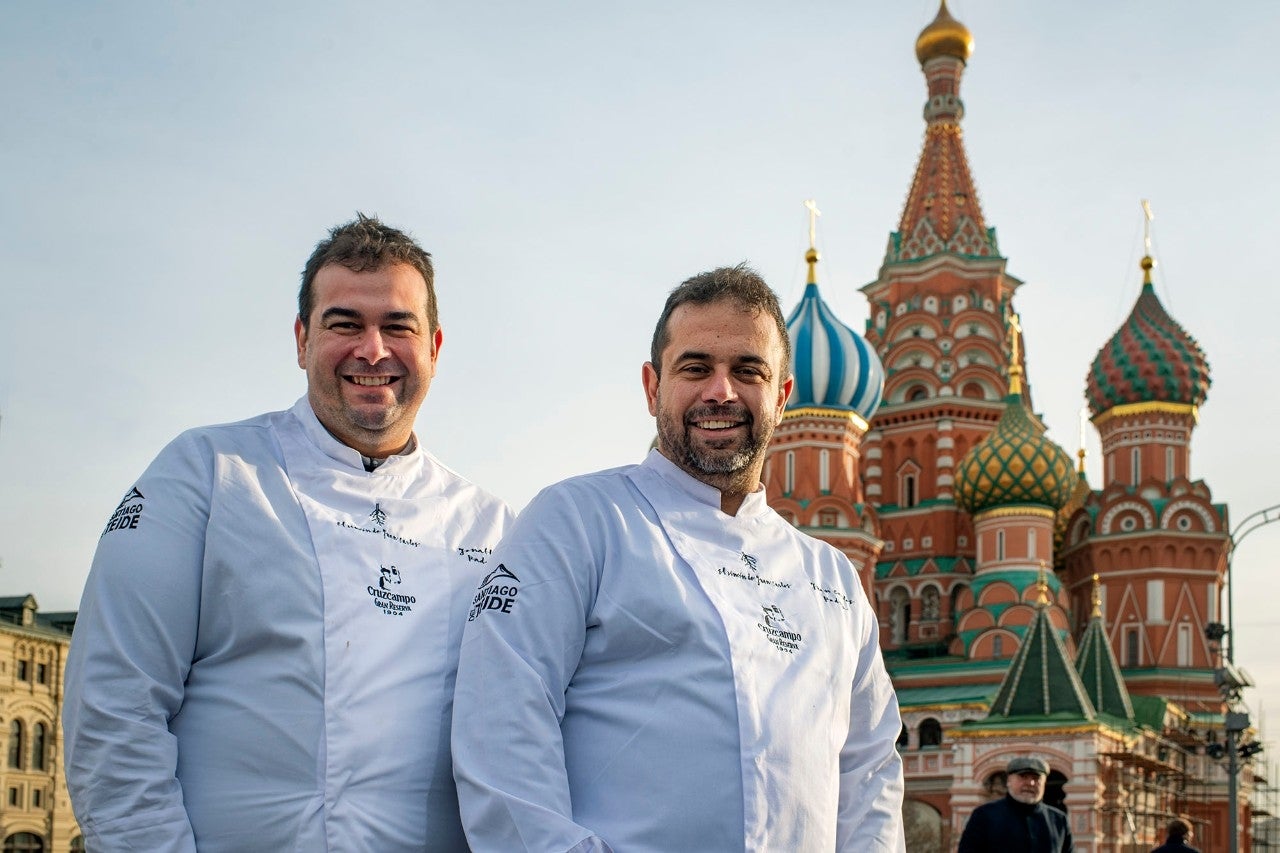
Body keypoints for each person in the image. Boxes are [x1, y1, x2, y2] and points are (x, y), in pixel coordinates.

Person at [63, 215, 513, 852]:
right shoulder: (205, 475)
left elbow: (523, 734)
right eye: (344, 324)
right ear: (302, 341)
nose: (373, 350)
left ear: (435, 349)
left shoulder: (491, 526)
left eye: (397, 327)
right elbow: (114, 705)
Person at [451, 264, 905, 851]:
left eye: (748, 371)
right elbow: (500, 722)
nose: (721, 391)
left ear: (783, 396)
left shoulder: (832, 579)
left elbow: (868, 768)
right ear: (652, 387)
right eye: (695, 368)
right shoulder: (579, 521)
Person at [957, 756, 1074, 853]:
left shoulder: (1058, 820)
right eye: (1023, 777)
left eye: (1036, 778)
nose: (1030, 783)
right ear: (1009, 781)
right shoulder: (985, 816)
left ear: (1044, 783)